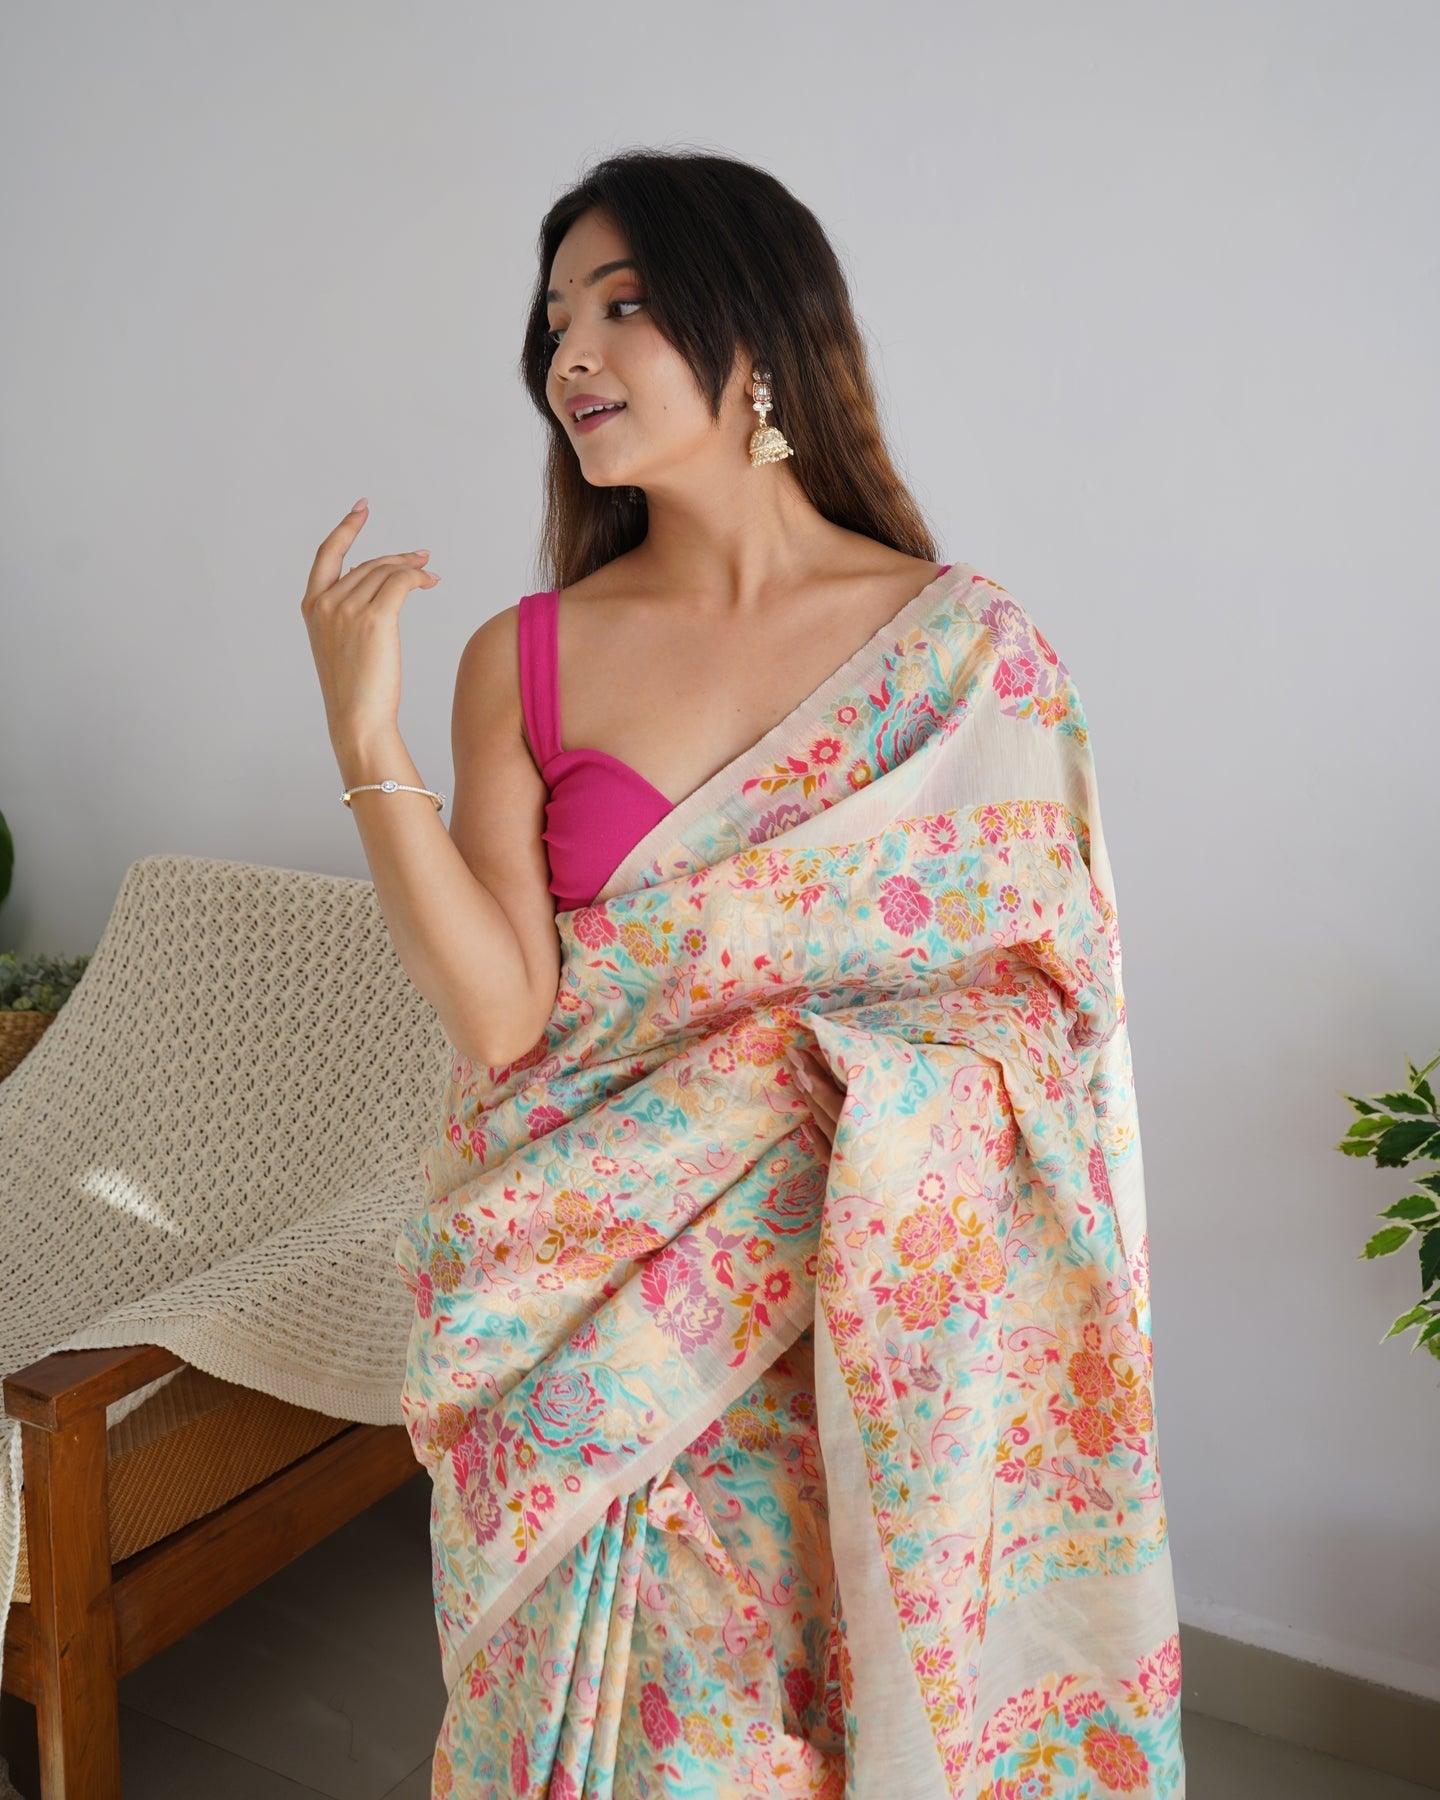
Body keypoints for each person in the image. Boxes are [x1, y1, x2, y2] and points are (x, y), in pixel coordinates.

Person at [303, 147, 1185, 1800]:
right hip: (581, 1330)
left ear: (760, 334)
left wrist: (833, 1092)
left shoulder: (962, 653)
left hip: (844, 1333)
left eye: (623, 305)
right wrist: (365, 736)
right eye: (554, 318)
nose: (569, 354)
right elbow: (505, 1015)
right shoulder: (526, 655)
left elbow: (1048, 1024)